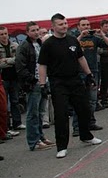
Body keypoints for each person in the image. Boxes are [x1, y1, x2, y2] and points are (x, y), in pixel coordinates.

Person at [38, 13, 102, 159]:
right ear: (53, 27)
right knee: (61, 115)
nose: (64, 26)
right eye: (61, 24)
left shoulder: (72, 40)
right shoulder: (48, 44)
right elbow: (42, 65)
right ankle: (62, 146)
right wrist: (42, 84)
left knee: (84, 109)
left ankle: (86, 135)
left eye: (65, 23)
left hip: (75, 80)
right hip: (58, 83)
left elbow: (81, 58)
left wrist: (89, 74)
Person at [15, 22, 55, 151]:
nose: (36, 32)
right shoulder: (24, 46)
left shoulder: (41, 44)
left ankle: (41, 137)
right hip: (33, 83)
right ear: (27, 32)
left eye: (37, 30)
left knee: (41, 112)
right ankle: (34, 141)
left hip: (44, 80)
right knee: (32, 113)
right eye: (33, 30)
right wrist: (32, 80)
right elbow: (20, 67)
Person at [72, 17, 108, 135]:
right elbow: (71, 46)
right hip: (79, 72)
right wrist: (81, 35)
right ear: (78, 27)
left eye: (87, 25)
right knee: (79, 100)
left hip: (93, 70)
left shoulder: (94, 38)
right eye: (83, 25)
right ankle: (77, 127)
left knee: (92, 99)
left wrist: (101, 34)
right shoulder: (74, 38)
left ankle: (90, 122)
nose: (86, 27)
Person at [0, 26, 22, 136]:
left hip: (14, 77)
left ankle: (17, 123)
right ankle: (7, 126)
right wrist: (10, 61)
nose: (4, 36)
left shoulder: (15, 45)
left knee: (15, 100)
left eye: (5, 33)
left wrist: (7, 60)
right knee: (5, 105)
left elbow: (18, 60)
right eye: (1, 34)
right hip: (3, 78)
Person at [97, 19, 108, 109]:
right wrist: (107, 52)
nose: (107, 28)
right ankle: (104, 99)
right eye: (105, 26)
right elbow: (98, 49)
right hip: (103, 61)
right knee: (105, 81)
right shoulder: (98, 36)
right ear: (101, 27)